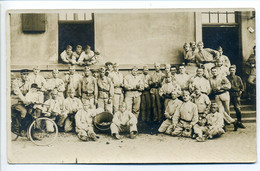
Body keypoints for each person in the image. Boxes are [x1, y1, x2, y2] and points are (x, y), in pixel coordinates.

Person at [11, 69, 31, 135]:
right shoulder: (15, 82)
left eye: (27, 74)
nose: (26, 76)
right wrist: (24, 100)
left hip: (23, 102)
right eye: (24, 74)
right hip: (15, 102)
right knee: (24, 111)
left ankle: (29, 131)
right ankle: (16, 128)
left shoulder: (28, 82)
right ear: (21, 75)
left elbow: (30, 92)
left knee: (31, 112)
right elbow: (18, 92)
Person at [227, 65, 245, 130]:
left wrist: (240, 92)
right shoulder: (226, 78)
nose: (232, 71)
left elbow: (242, 87)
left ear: (235, 71)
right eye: (231, 70)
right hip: (228, 94)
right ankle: (227, 122)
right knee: (226, 109)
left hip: (236, 94)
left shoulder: (238, 78)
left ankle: (239, 122)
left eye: (233, 70)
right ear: (229, 71)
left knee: (237, 108)